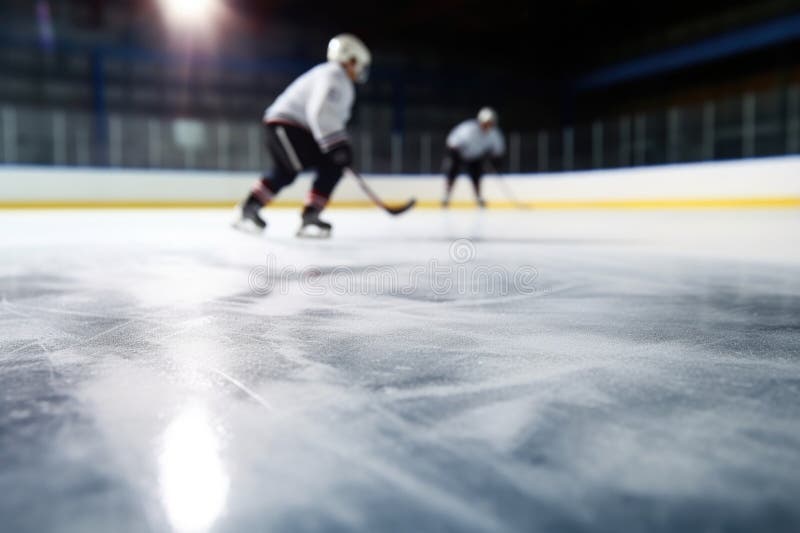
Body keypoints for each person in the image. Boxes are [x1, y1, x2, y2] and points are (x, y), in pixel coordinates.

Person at [233, 34, 371, 237]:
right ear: (349, 59)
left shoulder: (338, 80)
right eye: (359, 64)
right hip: (285, 124)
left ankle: (305, 215)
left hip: (300, 129)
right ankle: (252, 209)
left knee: (325, 167)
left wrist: (338, 150)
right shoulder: (334, 76)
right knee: (293, 168)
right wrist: (337, 146)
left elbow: (327, 118)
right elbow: (320, 112)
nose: (360, 69)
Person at [442, 107, 505, 208]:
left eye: (490, 123)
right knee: (452, 172)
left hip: (476, 157)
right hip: (459, 154)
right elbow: (452, 143)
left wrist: (491, 159)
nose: (488, 125)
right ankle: (446, 197)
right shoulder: (468, 129)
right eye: (486, 123)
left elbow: (498, 151)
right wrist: (455, 154)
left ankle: (479, 198)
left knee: (477, 176)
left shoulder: (494, 134)